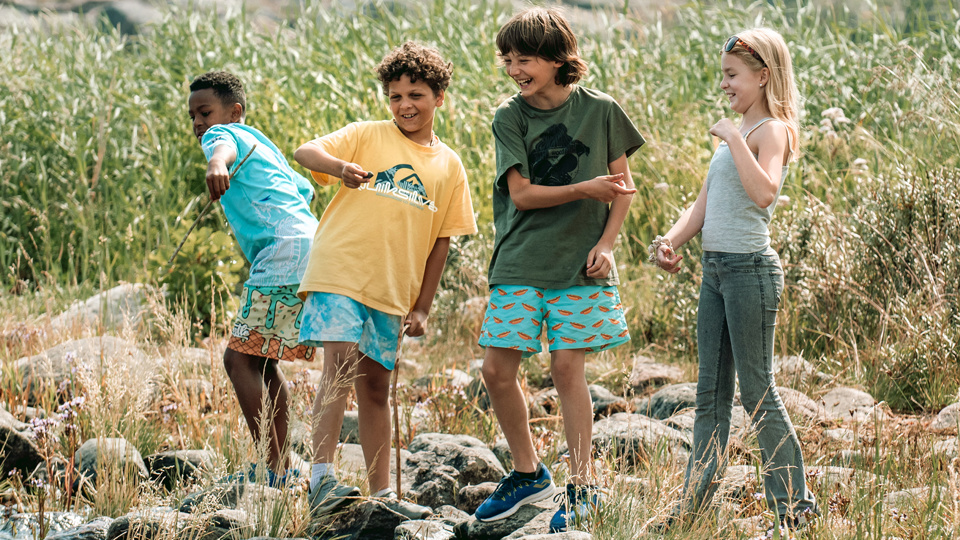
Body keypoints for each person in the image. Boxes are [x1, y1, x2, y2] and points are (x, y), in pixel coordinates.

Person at [473, 7, 645, 533]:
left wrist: (609, 243)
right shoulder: (510, 116)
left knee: (568, 370)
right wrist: (584, 188)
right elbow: (521, 196)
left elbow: (623, 188)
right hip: (522, 260)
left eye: (523, 59)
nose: (513, 69)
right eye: (507, 59)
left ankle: (584, 486)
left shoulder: (603, 110)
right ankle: (527, 474)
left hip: (581, 266)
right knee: (496, 371)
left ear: (555, 59)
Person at [293, 41, 478, 518]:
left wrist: (422, 306)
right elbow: (305, 150)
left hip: (393, 290)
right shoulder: (367, 135)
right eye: (395, 96)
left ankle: (382, 496)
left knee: (375, 387)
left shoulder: (449, 166)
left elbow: (443, 241)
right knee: (338, 369)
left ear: (440, 98)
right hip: (339, 270)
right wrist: (338, 169)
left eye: (415, 94)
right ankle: (321, 478)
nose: (404, 105)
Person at [649, 28, 819, 534]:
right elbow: (705, 205)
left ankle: (795, 509)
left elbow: (764, 193)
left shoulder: (771, 130)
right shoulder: (738, 134)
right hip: (715, 273)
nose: (724, 84)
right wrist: (672, 240)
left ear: (762, 76)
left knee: (758, 392)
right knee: (710, 393)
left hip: (750, 272)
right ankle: (694, 508)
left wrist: (731, 136)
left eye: (732, 75)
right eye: (723, 75)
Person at [187, 71, 319, 487]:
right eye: (192, 117)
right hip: (310, 248)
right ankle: (281, 466)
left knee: (237, 359)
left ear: (234, 112)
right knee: (262, 360)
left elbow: (220, 145)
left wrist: (216, 163)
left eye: (204, 112)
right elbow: (304, 191)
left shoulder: (224, 136)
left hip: (282, 253)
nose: (198, 124)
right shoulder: (265, 145)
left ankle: (274, 469)